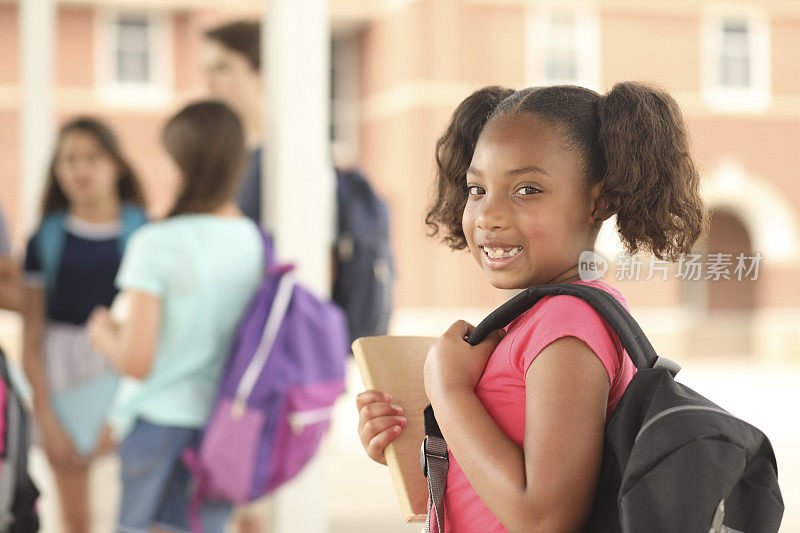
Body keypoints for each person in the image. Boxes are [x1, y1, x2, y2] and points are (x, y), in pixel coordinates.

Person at [356, 83, 707, 532]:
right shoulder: (535, 319)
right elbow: (494, 484)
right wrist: (410, 445)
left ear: (598, 201)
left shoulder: (568, 325)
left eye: (527, 189)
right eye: (477, 188)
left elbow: (546, 517)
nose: (488, 215)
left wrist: (448, 390)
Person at [87, 101, 263, 532]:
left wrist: (104, 335)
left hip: (158, 427)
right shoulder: (254, 241)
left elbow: (136, 361)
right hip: (223, 431)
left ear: (184, 162)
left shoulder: (157, 242)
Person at [21, 117, 147, 533]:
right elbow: (33, 332)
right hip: (61, 389)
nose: (79, 170)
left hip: (126, 386)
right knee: (75, 521)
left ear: (117, 166)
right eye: (68, 160)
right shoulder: (46, 238)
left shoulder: (143, 232)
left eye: (92, 158)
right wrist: (46, 418)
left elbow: (154, 336)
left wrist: (122, 416)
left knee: (128, 517)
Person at [203, 20, 263, 224]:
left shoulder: (291, 158)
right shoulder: (222, 158)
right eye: (206, 71)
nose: (209, 83)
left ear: (260, 73)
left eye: (222, 68)